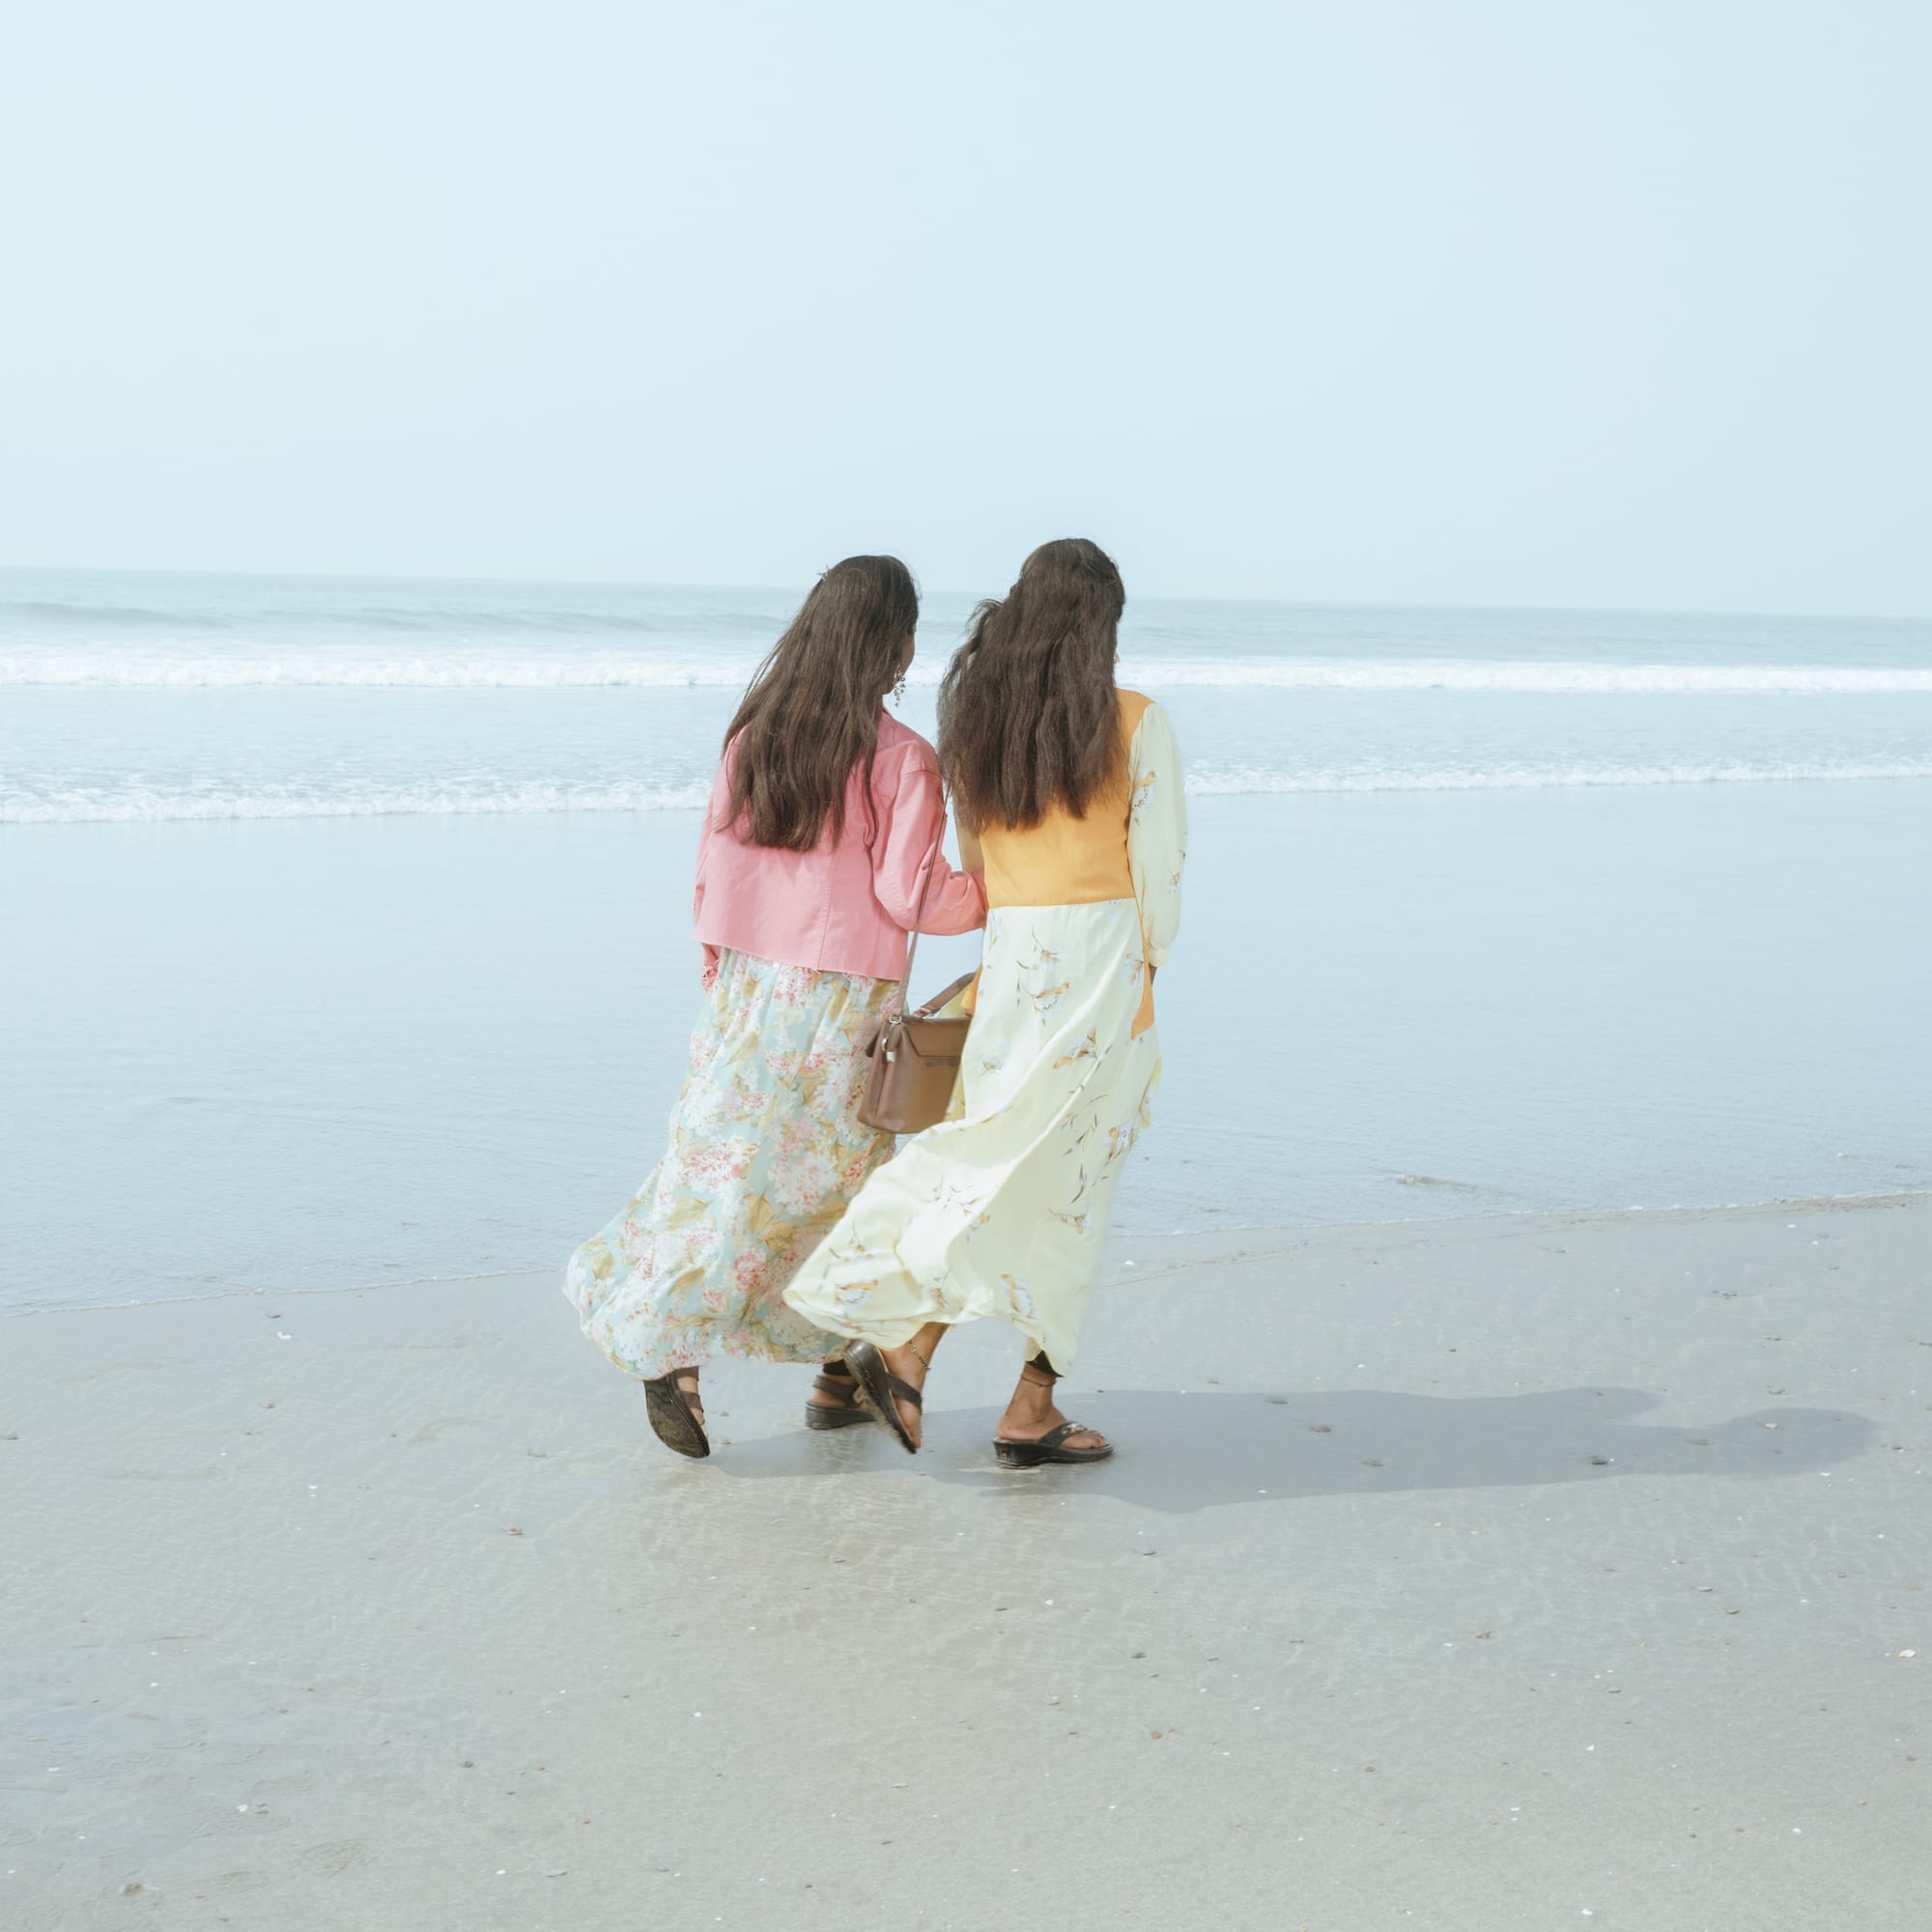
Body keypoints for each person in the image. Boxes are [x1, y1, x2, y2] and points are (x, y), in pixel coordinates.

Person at [563, 555, 986, 1458]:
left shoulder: (753, 732)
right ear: (898, 645)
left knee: (719, 1165)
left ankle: (787, 1363)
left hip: (748, 988)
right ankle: (749, 1337)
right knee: (832, 1186)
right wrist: (1003, 891)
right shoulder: (902, 755)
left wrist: (720, 972)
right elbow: (913, 893)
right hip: (839, 1004)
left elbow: (712, 862)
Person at [783, 538, 1186, 1465]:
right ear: (1102, 630)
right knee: (1073, 1183)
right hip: (1101, 961)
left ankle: (902, 1352)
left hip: (1016, 960)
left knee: (991, 1150)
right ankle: (1023, 1405)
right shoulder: (1135, 721)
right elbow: (1159, 868)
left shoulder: (976, 724)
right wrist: (1149, 967)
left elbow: (974, 861)